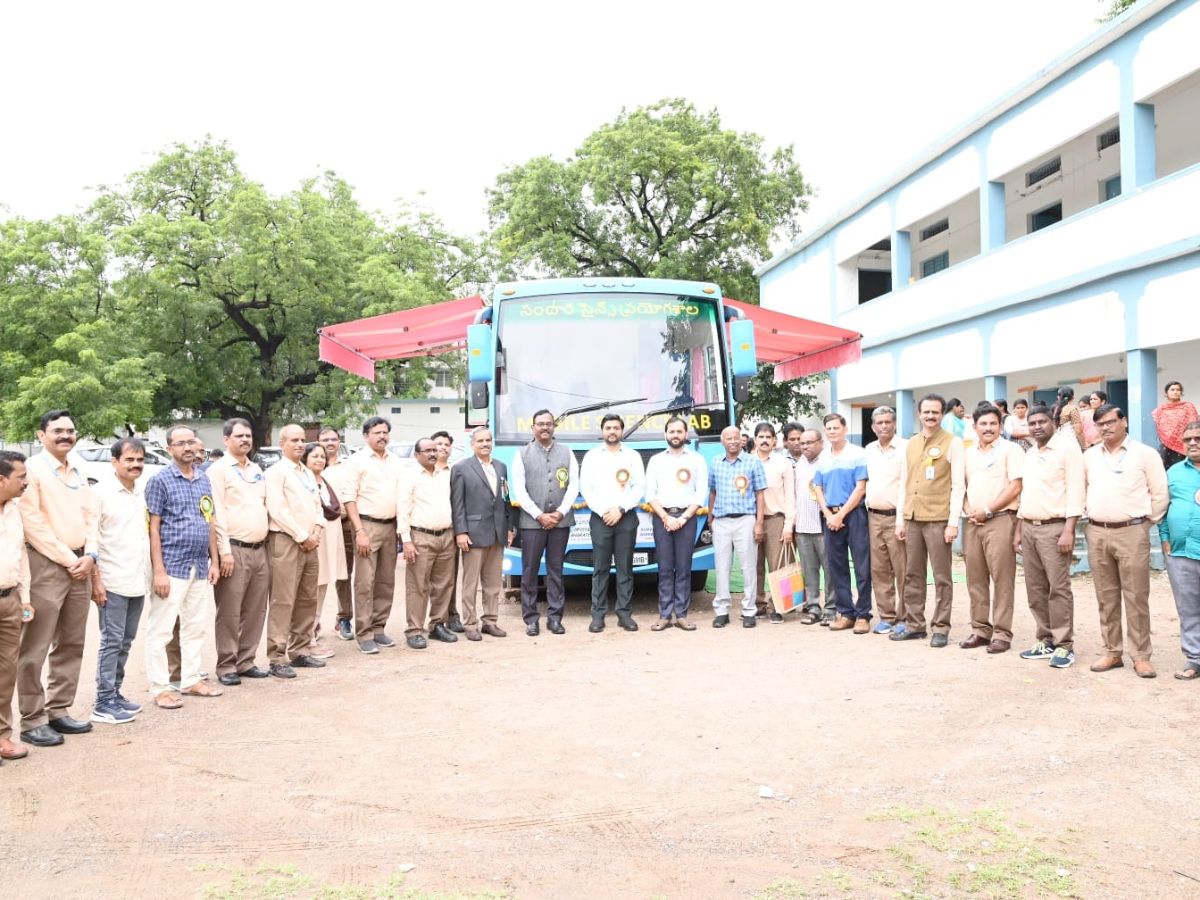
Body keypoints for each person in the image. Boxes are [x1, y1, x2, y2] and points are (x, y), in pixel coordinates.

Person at [17, 410, 100, 747]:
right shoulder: (32, 471)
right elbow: (32, 524)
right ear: (41, 435)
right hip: (47, 566)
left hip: (81, 564)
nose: (66, 436)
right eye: (57, 431)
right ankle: (32, 719)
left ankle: (59, 710)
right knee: (35, 646)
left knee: (71, 642)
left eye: (70, 430)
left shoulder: (78, 469)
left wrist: (91, 556)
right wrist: (71, 559)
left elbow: (92, 515)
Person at [1083, 404, 1168, 678]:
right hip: (1096, 532)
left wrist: (1144, 523)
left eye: (1110, 422)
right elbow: (1082, 488)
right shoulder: (1090, 456)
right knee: (1105, 597)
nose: (1105, 428)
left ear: (1124, 422)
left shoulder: (1145, 454)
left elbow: (1160, 493)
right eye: (1100, 424)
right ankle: (1112, 652)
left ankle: (1141, 656)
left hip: (1132, 531)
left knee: (1136, 596)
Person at [144, 425, 223, 709]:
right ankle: (160, 687)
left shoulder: (203, 479)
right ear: (169, 449)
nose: (188, 448)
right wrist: (159, 571)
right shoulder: (160, 481)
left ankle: (190, 679)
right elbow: (153, 529)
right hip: (172, 566)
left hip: (200, 565)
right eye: (181, 443)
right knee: (161, 630)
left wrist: (214, 560)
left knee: (195, 626)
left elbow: (209, 520)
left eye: (191, 442)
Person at [1014, 405, 1085, 669]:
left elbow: (1076, 490)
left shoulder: (1068, 449)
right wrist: (1019, 529)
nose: (1036, 427)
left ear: (1052, 422)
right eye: (1032, 423)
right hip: (1029, 527)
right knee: (1035, 588)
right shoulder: (1031, 453)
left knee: (1058, 588)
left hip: (1056, 527)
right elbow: (1026, 493)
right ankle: (1045, 639)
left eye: (1041, 422)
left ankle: (1065, 644)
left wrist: (1069, 529)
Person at [892, 394, 965, 647]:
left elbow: (958, 485)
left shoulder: (953, 443)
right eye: (926, 412)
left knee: (942, 576)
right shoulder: (910, 444)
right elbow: (903, 483)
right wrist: (900, 519)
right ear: (919, 414)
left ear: (942, 414)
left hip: (938, 520)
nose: (931, 417)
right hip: (912, 518)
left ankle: (941, 627)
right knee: (912, 574)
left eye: (935, 412)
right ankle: (915, 625)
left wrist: (953, 522)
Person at [89, 439, 152, 724]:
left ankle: (115, 693)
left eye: (139, 460)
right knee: (111, 641)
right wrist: (96, 581)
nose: (135, 465)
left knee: (125, 641)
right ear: (114, 462)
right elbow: (93, 540)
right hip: (111, 580)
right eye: (129, 460)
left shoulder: (141, 492)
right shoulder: (100, 493)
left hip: (136, 579)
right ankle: (103, 702)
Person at [208, 418, 271, 686]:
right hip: (233, 548)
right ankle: (226, 665)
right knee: (230, 610)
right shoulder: (218, 471)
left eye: (248, 436)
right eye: (239, 436)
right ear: (226, 440)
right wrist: (223, 552)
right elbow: (216, 514)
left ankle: (246, 660)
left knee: (255, 610)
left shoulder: (256, 469)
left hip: (260, 549)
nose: (245, 440)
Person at [959, 404, 1023, 654]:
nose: (988, 428)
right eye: (983, 424)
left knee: (1002, 578)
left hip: (1000, 519)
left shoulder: (1012, 450)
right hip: (972, 522)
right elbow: (961, 486)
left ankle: (1002, 633)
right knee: (975, 578)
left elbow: (1016, 486)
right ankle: (980, 630)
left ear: (1000, 426)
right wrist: (968, 509)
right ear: (974, 427)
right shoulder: (968, 454)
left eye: (993, 424)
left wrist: (987, 509)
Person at [264, 424, 325, 678]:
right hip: (287, 541)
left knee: (307, 598)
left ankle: (300, 650)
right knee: (283, 599)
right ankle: (277, 656)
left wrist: (317, 531)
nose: (300, 444)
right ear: (282, 444)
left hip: (311, 542)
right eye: (294, 440)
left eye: (302, 440)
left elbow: (317, 504)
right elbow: (277, 510)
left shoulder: (307, 473)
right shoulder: (276, 473)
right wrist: (302, 536)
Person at [511, 409, 577, 636]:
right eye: (540, 424)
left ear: (554, 427)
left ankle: (555, 617)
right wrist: (539, 515)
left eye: (549, 424)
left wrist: (559, 513)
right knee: (529, 571)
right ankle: (531, 619)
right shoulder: (522, 454)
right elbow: (519, 490)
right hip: (531, 524)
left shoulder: (567, 453)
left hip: (561, 522)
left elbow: (573, 487)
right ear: (533, 428)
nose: (545, 427)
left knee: (556, 571)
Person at [342, 417, 403, 654]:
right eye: (377, 432)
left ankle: (379, 628)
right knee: (365, 583)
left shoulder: (396, 461)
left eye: (385, 432)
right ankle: (364, 633)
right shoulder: (356, 461)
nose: (382, 436)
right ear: (366, 435)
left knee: (386, 581)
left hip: (390, 527)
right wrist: (359, 531)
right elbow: (349, 498)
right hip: (366, 526)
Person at [580, 414, 646, 633]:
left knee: (625, 567)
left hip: (626, 518)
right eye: (608, 428)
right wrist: (604, 511)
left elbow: (639, 487)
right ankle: (598, 615)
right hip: (600, 518)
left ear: (621, 431)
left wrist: (620, 509)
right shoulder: (591, 457)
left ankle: (624, 614)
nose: (612, 431)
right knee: (600, 568)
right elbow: (586, 488)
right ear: (602, 431)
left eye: (616, 428)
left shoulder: (632, 456)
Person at [645, 416, 708, 631]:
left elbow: (701, 493)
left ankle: (681, 614)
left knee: (683, 568)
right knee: (664, 568)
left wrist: (682, 518)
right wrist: (665, 517)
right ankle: (664, 615)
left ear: (686, 434)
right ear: (665, 435)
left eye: (679, 431)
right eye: (671, 432)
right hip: (662, 518)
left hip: (686, 519)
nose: (675, 435)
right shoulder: (656, 460)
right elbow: (649, 493)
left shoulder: (696, 459)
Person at [450, 428, 513, 640]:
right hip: (473, 534)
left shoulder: (501, 467)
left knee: (493, 582)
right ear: (472, 444)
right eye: (480, 441)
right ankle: (470, 624)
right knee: (470, 583)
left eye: (488, 440)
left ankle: (490, 621)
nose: (485, 444)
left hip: (497, 533)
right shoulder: (461, 468)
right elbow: (457, 504)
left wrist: (509, 528)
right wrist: (461, 532)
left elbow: (506, 499)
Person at [811, 414, 872, 633]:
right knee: (836, 567)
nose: (832, 431)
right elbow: (817, 487)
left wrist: (841, 515)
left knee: (862, 566)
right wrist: (828, 514)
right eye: (828, 428)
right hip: (831, 517)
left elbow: (860, 488)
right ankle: (845, 612)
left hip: (854, 515)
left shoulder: (858, 453)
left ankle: (863, 614)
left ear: (845, 429)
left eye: (836, 427)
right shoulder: (824, 457)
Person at [399, 438, 456, 648]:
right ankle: (414, 630)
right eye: (428, 450)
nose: (433, 453)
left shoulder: (446, 475)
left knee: (444, 584)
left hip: (446, 536)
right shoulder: (409, 477)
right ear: (417, 455)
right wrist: (406, 541)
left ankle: (437, 625)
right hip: (420, 537)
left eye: (435, 450)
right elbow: (402, 509)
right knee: (418, 586)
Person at [709, 425, 767, 628]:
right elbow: (713, 491)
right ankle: (722, 610)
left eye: (736, 438)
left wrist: (759, 522)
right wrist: (711, 518)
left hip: (746, 520)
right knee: (722, 567)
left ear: (741, 440)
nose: (732, 441)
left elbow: (760, 493)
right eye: (728, 438)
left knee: (748, 566)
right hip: (721, 520)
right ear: (722, 441)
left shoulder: (753, 461)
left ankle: (749, 610)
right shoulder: (716, 462)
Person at [1159, 419, 1200, 681]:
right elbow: (1163, 508)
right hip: (1181, 551)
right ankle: (1195, 659)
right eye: (1188, 440)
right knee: (1188, 608)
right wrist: (1164, 538)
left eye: (1198, 438)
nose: (1193, 443)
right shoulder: (1173, 472)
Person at [0, 451, 34, 762]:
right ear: (1, 479)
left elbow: (20, 555)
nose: (26, 482)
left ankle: (3, 736)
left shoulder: (14, 509)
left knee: (5, 673)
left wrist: (24, 599)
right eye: (21, 477)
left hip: (8, 600)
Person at [863, 406, 907, 635]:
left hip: (896, 518)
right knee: (879, 569)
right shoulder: (869, 450)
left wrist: (901, 520)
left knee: (902, 569)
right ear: (873, 427)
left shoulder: (905, 448)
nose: (883, 426)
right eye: (879, 423)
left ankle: (905, 617)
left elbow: (907, 486)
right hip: (873, 517)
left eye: (888, 422)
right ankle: (887, 616)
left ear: (894, 424)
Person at [784, 425, 832, 625]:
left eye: (808, 443)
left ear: (821, 443)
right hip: (803, 527)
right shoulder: (799, 464)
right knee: (809, 571)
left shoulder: (828, 461)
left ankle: (831, 609)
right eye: (801, 443)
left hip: (824, 526)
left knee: (830, 571)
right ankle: (813, 608)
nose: (804, 446)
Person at [302, 442, 345, 658]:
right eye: (314, 456)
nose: (319, 459)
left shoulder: (326, 482)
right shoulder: (303, 482)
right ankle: (306, 640)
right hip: (313, 541)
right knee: (309, 592)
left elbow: (338, 510)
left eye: (322, 456)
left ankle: (311, 634)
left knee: (321, 590)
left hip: (330, 541)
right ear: (305, 459)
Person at [751, 423, 794, 624]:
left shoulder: (782, 463)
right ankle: (758, 604)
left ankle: (778, 606)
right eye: (761, 436)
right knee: (755, 565)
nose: (765, 440)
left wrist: (788, 524)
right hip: (751, 520)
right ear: (755, 439)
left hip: (776, 519)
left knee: (778, 566)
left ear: (775, 440)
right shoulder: (747, 462)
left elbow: (790, 496)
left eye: (769, 436)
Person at [318, 426, 357, 643]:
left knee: (344, 574)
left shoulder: (348, 466)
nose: (330, 443)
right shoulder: (310, 465)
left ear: (339, 441)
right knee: (316, 574)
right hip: (319, 527)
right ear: (318, 441)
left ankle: (344, 618)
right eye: (325, 439)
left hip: (344, 524)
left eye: (334, 439)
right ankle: (312, 620)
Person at [431, 430, 466, 634]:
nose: (443, 447)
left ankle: (452, 615)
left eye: (446, 444)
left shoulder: (456, 471)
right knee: (431, 580)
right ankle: (436, 619)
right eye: (438, 444)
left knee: (450, 577)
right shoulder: (424, 470)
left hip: (452, 531)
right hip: (428, 530)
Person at [1152, 381, 1199, 470]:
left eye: (1178, 390)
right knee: (1162, 470)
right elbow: (1160, 428)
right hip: (1166, 446)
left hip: (1185, 444)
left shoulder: (1188, 407)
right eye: (1172, 389)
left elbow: (1194, 425)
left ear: (1181, 393)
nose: (1175, 392)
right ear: (1166, 393)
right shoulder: (1159, 411)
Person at [1050, 386, 1085, 451]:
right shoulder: (1072, 409)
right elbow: (1078, 431)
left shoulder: (1055, 409)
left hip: (1057, 444)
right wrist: (1084, 446)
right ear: (1073, 397)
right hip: (1071, 444)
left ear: (1058, 397)